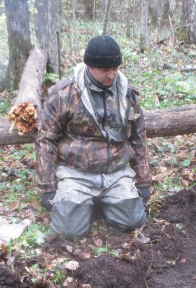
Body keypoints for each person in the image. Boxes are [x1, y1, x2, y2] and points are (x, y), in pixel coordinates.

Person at [35, 35, 152, 239]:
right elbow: (46, 139)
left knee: (134, 221)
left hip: (115, 171)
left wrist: (143, 181)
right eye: (105, 70)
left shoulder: (127, 94)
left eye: (115, 68)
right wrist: (47, 186)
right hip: (76, 172)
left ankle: (99, 203)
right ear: (89, 66)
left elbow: (138, 137)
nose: (112, 75)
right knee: (68, 231)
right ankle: (83, 204)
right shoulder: (64, 95)